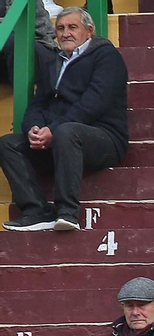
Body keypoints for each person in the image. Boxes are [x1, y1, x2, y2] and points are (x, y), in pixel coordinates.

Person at [0, 7, 126, 233]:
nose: (65, 33)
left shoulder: (107, 56)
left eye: (72, 27)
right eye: (60, 28)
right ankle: (36, 210)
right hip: (59, 138)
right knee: (8, 144)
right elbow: (38, 104)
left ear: (89, 31)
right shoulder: (54, 63)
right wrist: (34, 129)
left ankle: (67, 212)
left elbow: (93, 103)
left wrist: (54, 129)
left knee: (67, 131)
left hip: (103, 138)